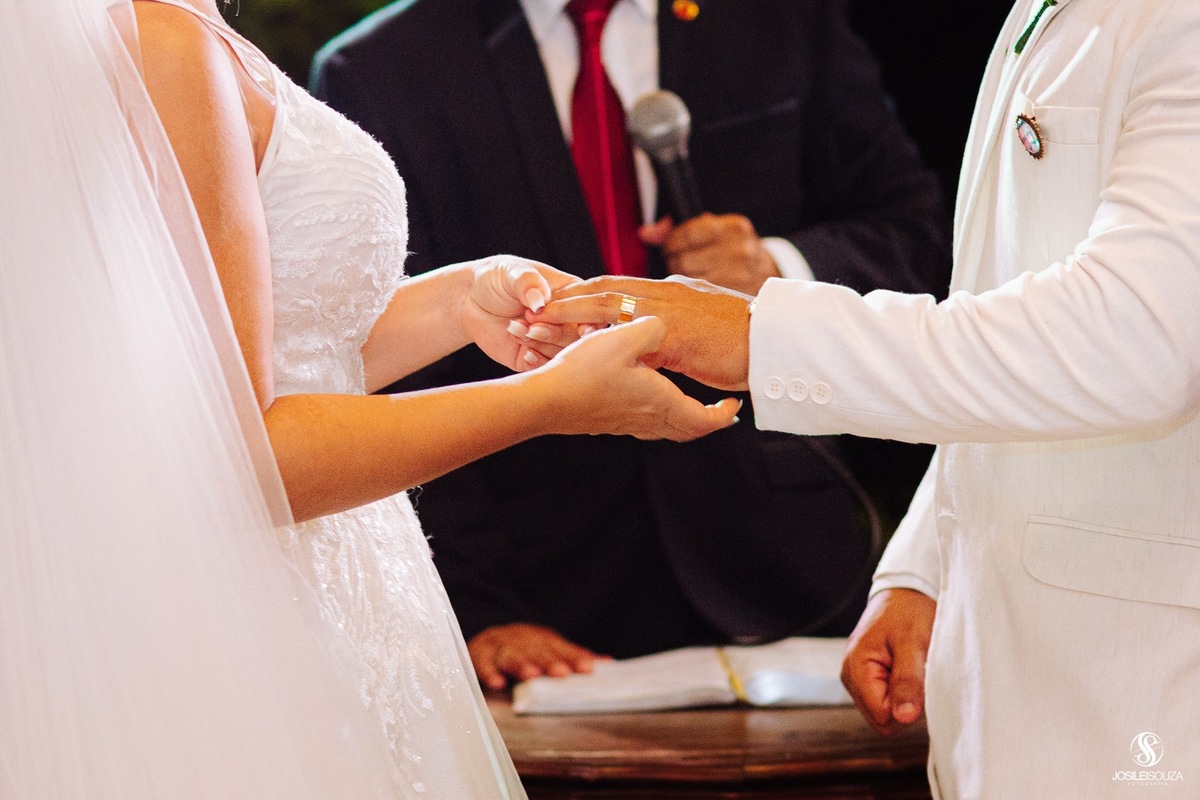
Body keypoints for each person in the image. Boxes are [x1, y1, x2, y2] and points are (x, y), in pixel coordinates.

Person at [6, 0, 737, 796]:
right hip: (264, 616)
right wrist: (545, 403)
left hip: (336, 592)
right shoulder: (168, 45)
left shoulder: (179, 30)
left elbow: (284, 352)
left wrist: (459, 302)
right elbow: (237, 459)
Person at [530, 0, 1200, 796]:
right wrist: (925, 564)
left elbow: (1134, 339)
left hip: (1142, 688)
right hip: (1010, 676)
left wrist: (756, 337)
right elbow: (1000, 320)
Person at [309, 0, 951, 690]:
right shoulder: (378, 67)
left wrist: (778, 265)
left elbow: (918, 239)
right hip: (541, 594)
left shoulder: (784, 19)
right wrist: (476, 610)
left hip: (788, 563)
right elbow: (373, 367)